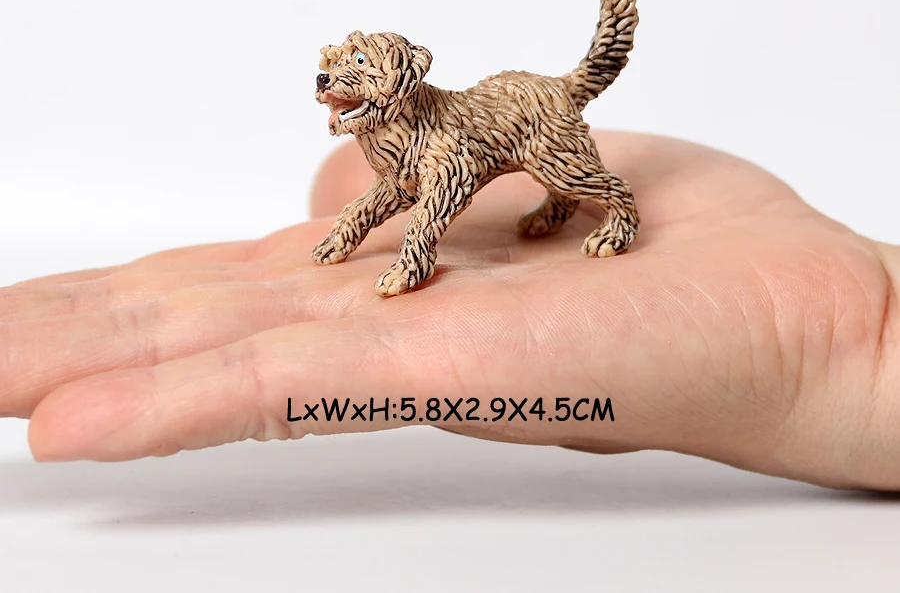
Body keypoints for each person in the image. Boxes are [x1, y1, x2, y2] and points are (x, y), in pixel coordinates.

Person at [3, 131, 897, 490]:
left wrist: (863, 337)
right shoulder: (392, 135)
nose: (334, 88)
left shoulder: (447, 131)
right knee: (378, 191)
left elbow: (435, 199)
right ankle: (554, 206)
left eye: (358, 73)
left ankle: (609, 210)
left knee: (557, 175)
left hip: (522, 123)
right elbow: (394, 187)